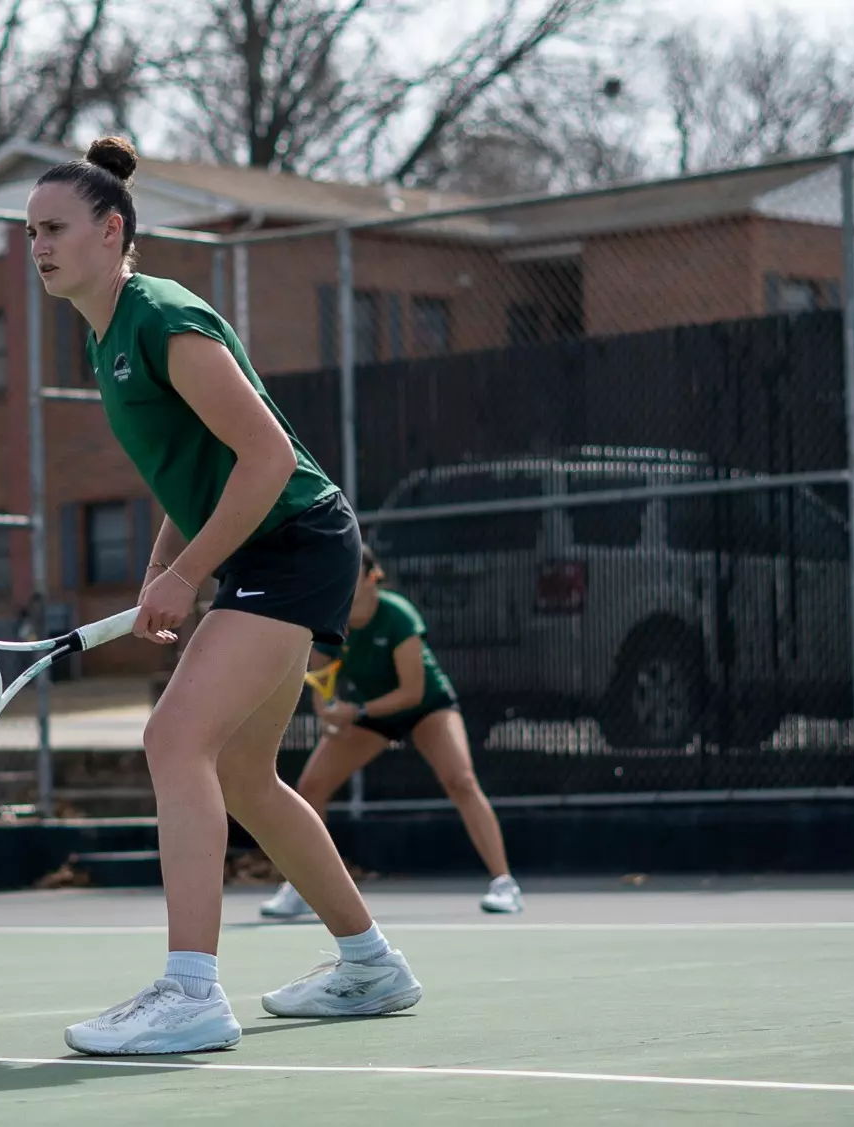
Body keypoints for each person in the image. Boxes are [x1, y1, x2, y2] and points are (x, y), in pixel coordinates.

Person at [29, 137, 422, 1057]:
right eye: (31, 232)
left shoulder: (162, 315)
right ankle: (370, 963)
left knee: (173, 738)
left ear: (110, 230)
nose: (38, 246)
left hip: (296, 541)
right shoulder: (107, 337)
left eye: (54, 229)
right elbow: (194, 480)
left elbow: (269, 457)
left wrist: (187, 570)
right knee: (244, 775)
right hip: (272, 543)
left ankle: (191, 991)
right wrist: (168, 561)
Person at [261, 545, 523, 918]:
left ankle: (504, 884)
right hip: (369, 712)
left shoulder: (398, 615)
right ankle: (301, 887)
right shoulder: (332, 618)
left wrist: (355, 711)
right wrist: (326, 713)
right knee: (311, 786)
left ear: (372, 577)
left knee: (460, 780)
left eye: (353, 571)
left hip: (426, 707)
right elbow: (319, 677)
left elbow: (412, 691)